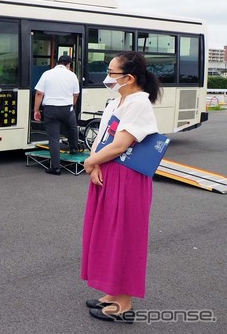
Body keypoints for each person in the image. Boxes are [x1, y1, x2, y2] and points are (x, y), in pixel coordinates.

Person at [82, 51, 162, 324]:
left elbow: (121, 144)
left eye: (112, 73)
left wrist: (90, 162)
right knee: (108, 234)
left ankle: (124, 304)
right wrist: (95, 164)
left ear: (129, 78)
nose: (107, 77)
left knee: (125, 236)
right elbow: (104, 137)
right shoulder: (120, 100)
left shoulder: (138, 103)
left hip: (127, 179)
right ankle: (113, 293)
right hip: (110, 172)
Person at [33, 54, 80, 175]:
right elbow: (76, 94)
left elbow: (39, 93)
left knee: (53, 138)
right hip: (67, 108)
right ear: (69, 65)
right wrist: (71, 105)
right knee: (72, 126)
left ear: (57, 62)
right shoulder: (72, 75)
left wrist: (36, 110)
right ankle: (74, 148)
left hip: (50, 109)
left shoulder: (47, 74)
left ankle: (56, 168)